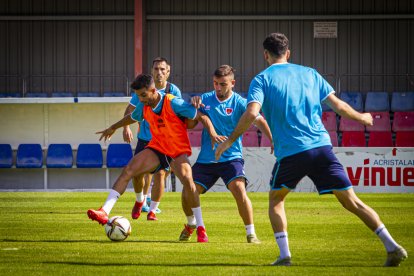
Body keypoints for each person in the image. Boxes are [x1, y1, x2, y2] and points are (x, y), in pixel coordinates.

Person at [215, 33, 407, 266]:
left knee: (276, 199)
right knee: (352, 201)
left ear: (266, 55)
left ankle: (285, 255)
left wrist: (228, 140)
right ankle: (391, 245)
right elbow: (339, 106)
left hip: (292, 152)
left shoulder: (262, 79)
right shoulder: (310, 73)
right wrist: (362, 118)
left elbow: (253, 113)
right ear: (288, 53)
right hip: (321, 147)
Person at [88, 74, 225, 242]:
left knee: (189, 184)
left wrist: (212, 133)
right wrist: (113, 127)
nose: (141, 99)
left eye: (143, 95)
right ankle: (105, 211)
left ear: (153, 90)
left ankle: (199, 226)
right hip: (157, 148)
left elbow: (200, 116)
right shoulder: (144, 105)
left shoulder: (173, 101)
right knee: (129, 170)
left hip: (176, 151)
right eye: (138, 96)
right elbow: (132, 117)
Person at [179, 65, 273, 244]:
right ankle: (191, 224)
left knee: (239, 189)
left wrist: (272, 140)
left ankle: (251, 233)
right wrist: (193, 106)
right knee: (187, 192)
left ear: (232, 83)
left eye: (222, 84)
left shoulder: (240, 102)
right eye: (215, 83)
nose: (218, 88)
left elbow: (258, 120)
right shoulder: (205, 99)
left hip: (231, 157)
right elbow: (191, 123)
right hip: (207, 159)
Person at [123, 57, 181, 221]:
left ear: (168, 72)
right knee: (138, 173)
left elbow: (179, 115)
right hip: (145, 138)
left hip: (164, 141)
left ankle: (152, 211)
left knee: (160, 174)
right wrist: (126, 127)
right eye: (156, 69)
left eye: (163, 69)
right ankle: (140, 201)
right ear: (152, 71)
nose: (159, 72)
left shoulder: (173, 91)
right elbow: (131, 108)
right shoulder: (144, 88)